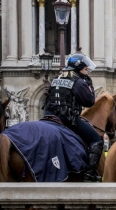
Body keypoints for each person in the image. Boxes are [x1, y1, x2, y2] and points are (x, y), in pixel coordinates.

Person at [43, 53, 103, 182]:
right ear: (79, 68)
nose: (87, 72)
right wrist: (89, 84)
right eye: (86, 69)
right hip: (67, 119)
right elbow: (90, 101)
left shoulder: (56, 79)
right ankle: (89, 174)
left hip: (49, 116)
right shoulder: (79, 82)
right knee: (96, 139)